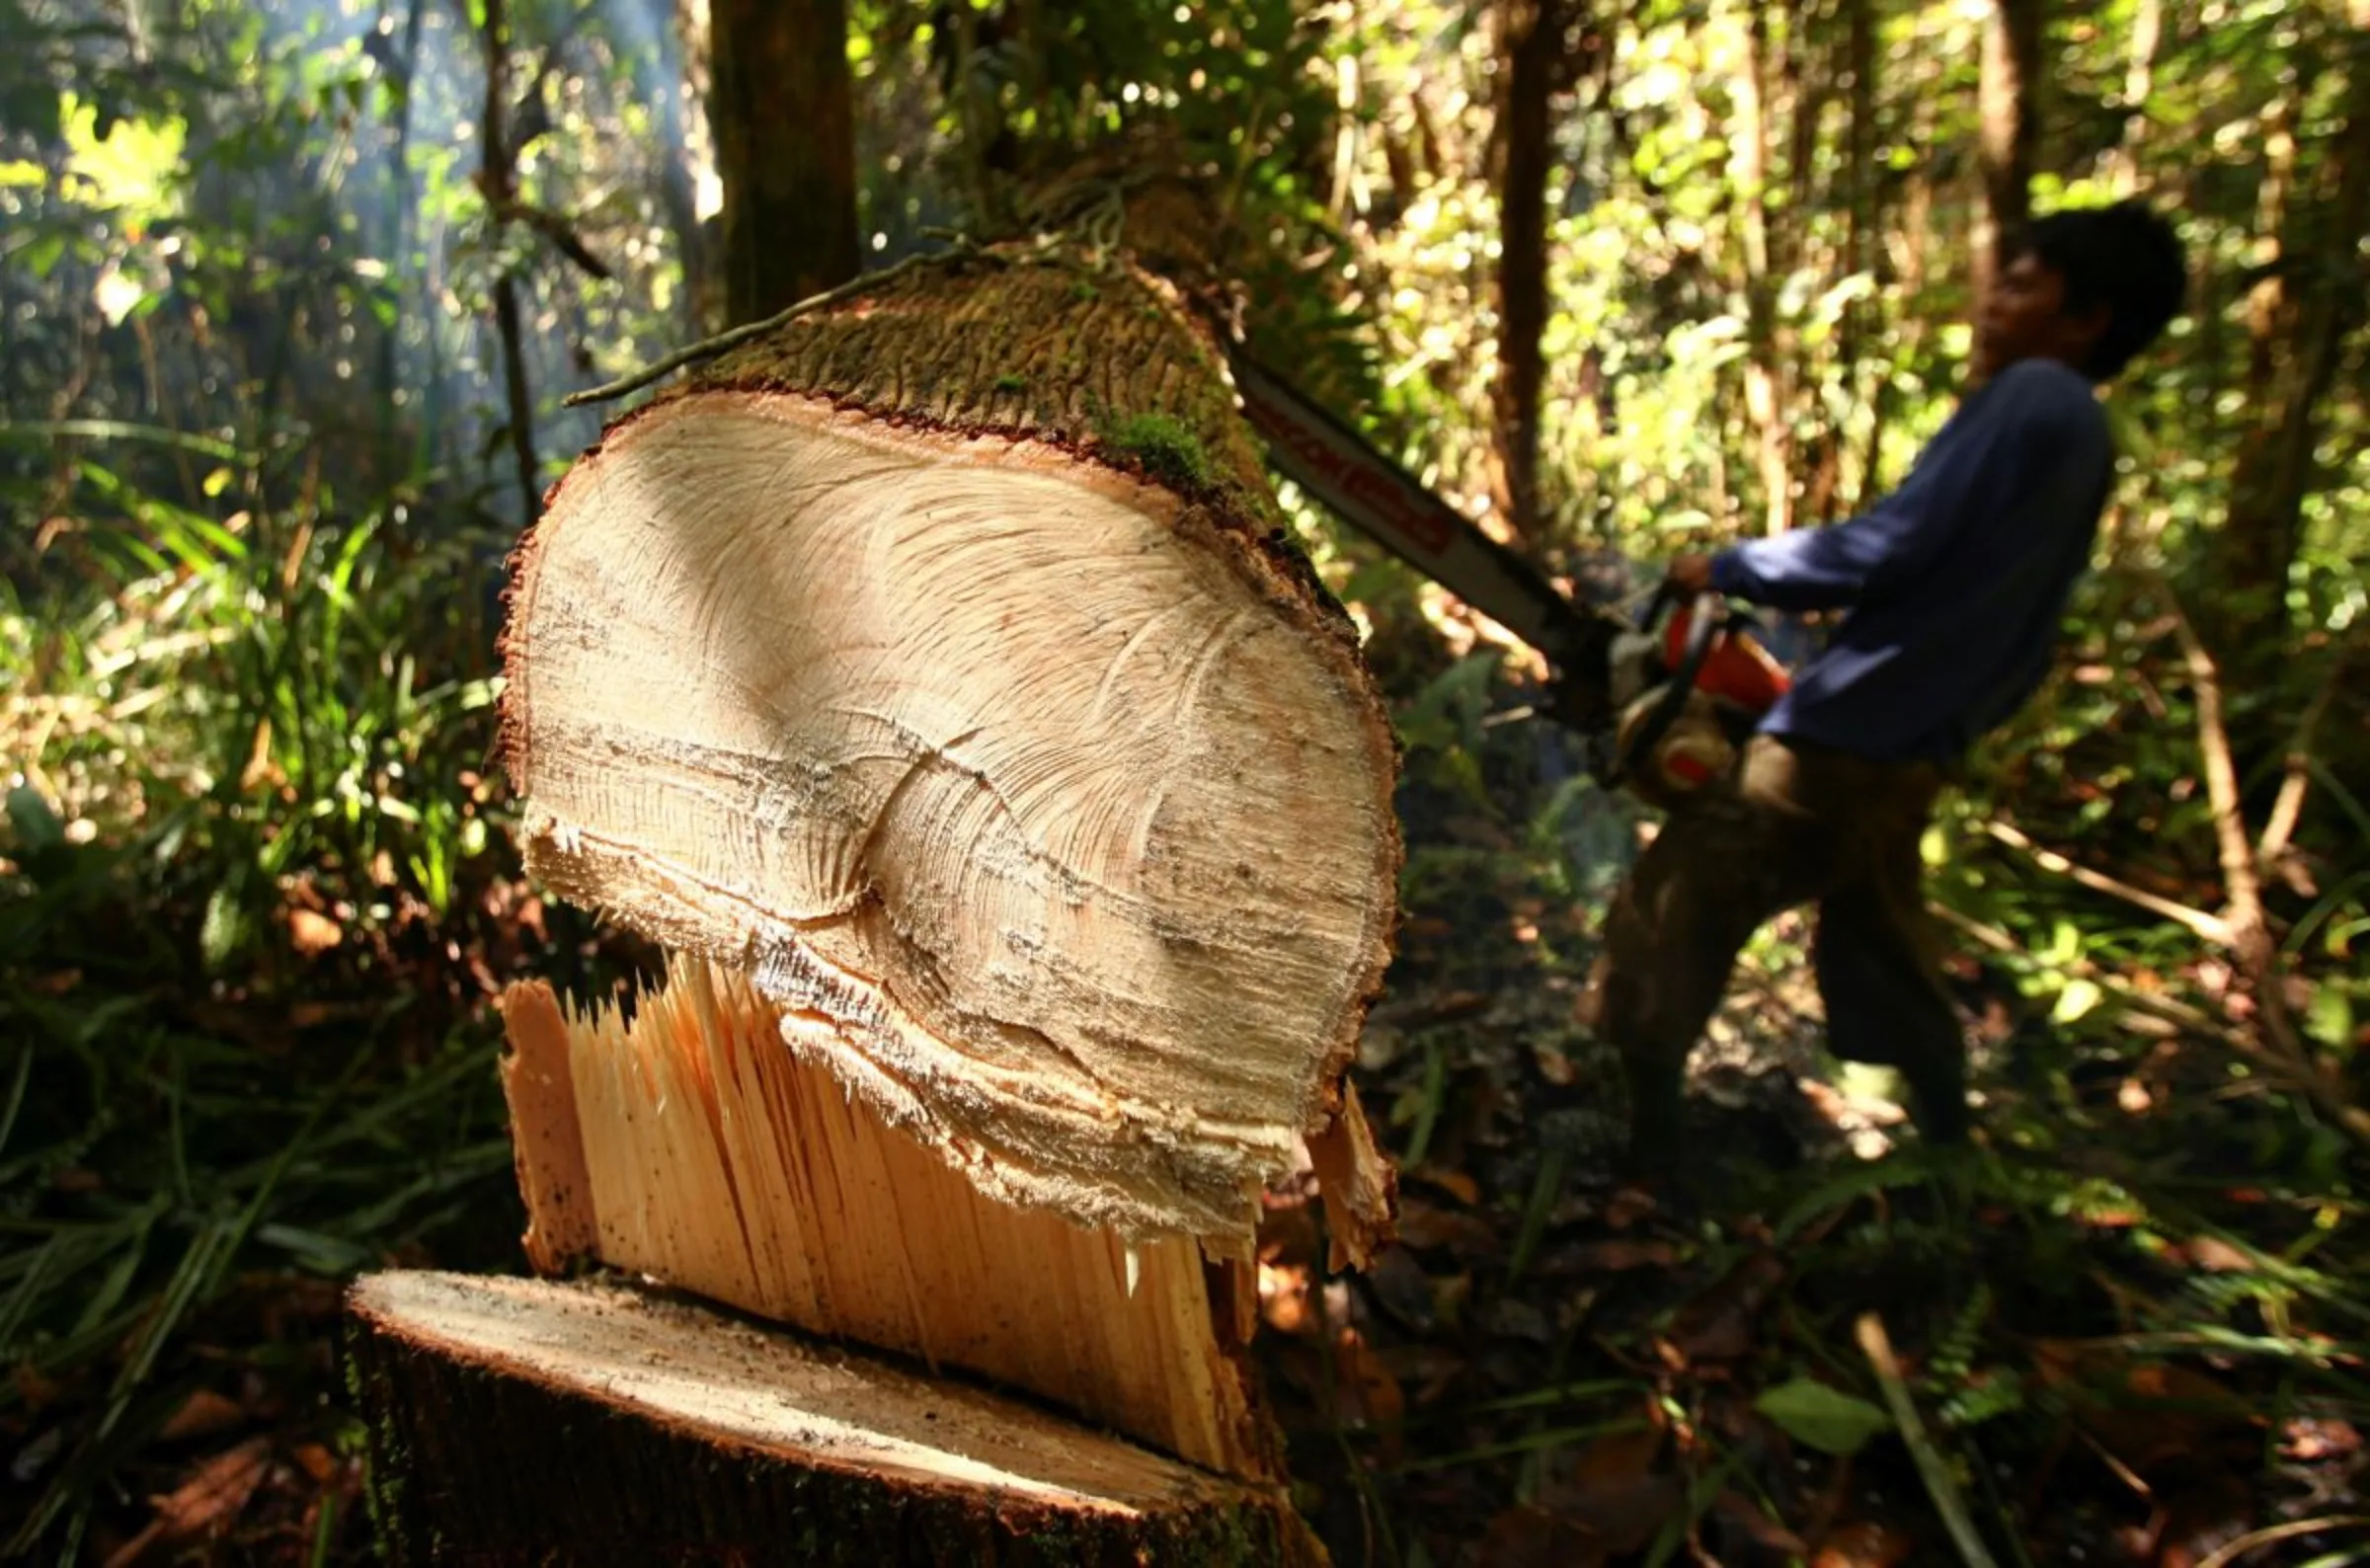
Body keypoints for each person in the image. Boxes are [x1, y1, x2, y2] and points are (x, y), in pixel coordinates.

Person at [1582, 199, 2187, 1167]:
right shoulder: (2083, 432)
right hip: (1915, 745)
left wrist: (1734, 566)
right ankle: (1949, 1146)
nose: (1995, 297)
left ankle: (1633, 1137)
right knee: (1882, 933)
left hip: (1849, 736)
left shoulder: (2034, 394)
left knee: (1680, 897)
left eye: (2026, 283)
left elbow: (1892, 544)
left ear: (2086, 321)